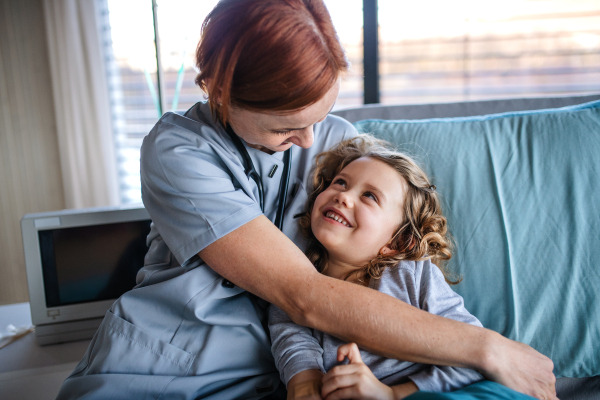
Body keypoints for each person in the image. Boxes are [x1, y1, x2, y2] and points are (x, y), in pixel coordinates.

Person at [56, 1, 557, 399]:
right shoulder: (177, 150)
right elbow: (302, 295)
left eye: (319, 116)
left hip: (276, 376)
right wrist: (490, 349)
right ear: (222, 94)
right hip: (164, 365)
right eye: (286, 128)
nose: (310, 140)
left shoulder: (334, 141)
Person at [269, 135, 486, 399]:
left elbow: (474, 355)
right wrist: (305, 383)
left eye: (369, 196)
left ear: (398, 241)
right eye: (340, 182)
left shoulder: (412, 275)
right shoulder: (296, 274)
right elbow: (292, 340)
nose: (343, 197)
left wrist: (392, 394)